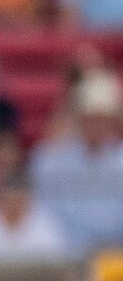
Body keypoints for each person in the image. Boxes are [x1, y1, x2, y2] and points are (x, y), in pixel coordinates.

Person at [31, 67, 123, 250]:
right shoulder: (53, 159)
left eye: (102, 119)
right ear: (79, 119)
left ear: (113, 121)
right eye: (91, 118)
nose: (97, 126)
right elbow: (42, 211)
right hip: (64, 253)